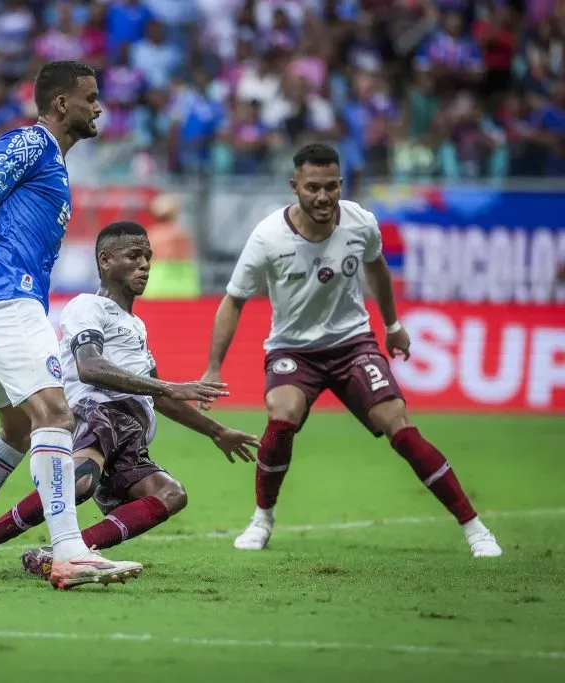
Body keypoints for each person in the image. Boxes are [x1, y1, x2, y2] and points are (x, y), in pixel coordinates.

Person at [0, 61, 153, 589]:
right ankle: (69, 551)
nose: (99, 107)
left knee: (17, 429)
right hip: (4, 298)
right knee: (55, 414)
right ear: (62, 104)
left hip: (0, 301)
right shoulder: (28, 143)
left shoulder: (55, 163)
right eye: (90, 97)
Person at [200, 143, 502, 558]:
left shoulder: (361, 222)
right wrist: (213, 368)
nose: (322, 197)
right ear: (295, 187)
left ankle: (474, 527)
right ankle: (262, 518)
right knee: (281, 416)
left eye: (330, 186)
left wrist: (392, 326)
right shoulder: (268, 237)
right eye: (312, 188)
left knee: (401, 425)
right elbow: (233, 300)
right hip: (294, 349)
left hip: (353, 344)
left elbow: (376, 265)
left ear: (341, 183)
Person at [0, 221, 258, 579]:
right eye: (134, 256)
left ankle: (64, 553)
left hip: (132, 432)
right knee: (79, 483)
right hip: (97, 414)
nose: (146, 264)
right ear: (105, 261)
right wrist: (168, 386)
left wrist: (216, 431)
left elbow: (158, 397)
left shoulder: (136, 325)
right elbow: (89, 366)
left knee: (171, 494)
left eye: (148, 257)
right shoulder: (87, 306)